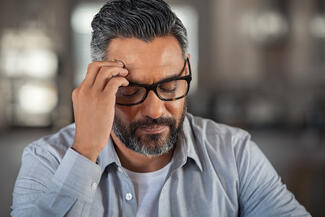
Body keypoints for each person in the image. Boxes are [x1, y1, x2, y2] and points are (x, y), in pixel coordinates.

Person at [11, 0, 311, 216]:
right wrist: (86, 150)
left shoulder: (234, 153)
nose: (155, 110)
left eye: (169, 86)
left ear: (186, 68)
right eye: (130, 89)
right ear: (97, 85)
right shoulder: (46, 160)